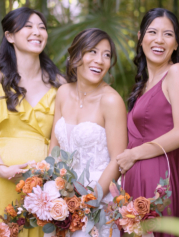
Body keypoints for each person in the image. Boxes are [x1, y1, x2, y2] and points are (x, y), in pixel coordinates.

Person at [0, 7, 63, 234]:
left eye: (41, 27)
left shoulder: (59, 83)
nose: (37, 32)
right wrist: (2, 169)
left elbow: (59, 137)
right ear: (9, 36)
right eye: (28, 26)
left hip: (42, 188)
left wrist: (49, 177)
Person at [116, 8, 179, 237]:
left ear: (176, 44)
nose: (159, 40)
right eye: (152, 32)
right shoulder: (142, 85)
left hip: (158, 180)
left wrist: (134, 154)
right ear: (140, 38)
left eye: (168, 34)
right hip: (133, 181)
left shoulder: (177, 72)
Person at [49, 28, 127, 237]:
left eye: (106, 54)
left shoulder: (111, 101)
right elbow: (54, 149)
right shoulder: (63, 93)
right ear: (76, 57)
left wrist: (88, 201)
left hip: (98, 199)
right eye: (92, 51)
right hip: (61, 200)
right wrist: (52, 192)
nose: (100, 60)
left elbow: (117, 162)